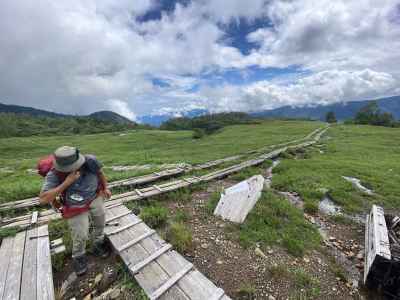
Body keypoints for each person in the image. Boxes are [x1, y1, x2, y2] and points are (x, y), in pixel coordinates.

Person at [39, 146, 112, 275]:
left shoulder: (90, 162)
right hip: (74, 206)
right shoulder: (54, 173)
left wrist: (105, 188)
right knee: (80, 234)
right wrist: (67, 182)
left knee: (100, 222)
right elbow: (43, 199)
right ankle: (79, 257)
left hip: (95, 197)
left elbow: (100, 174)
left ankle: (97, 244)